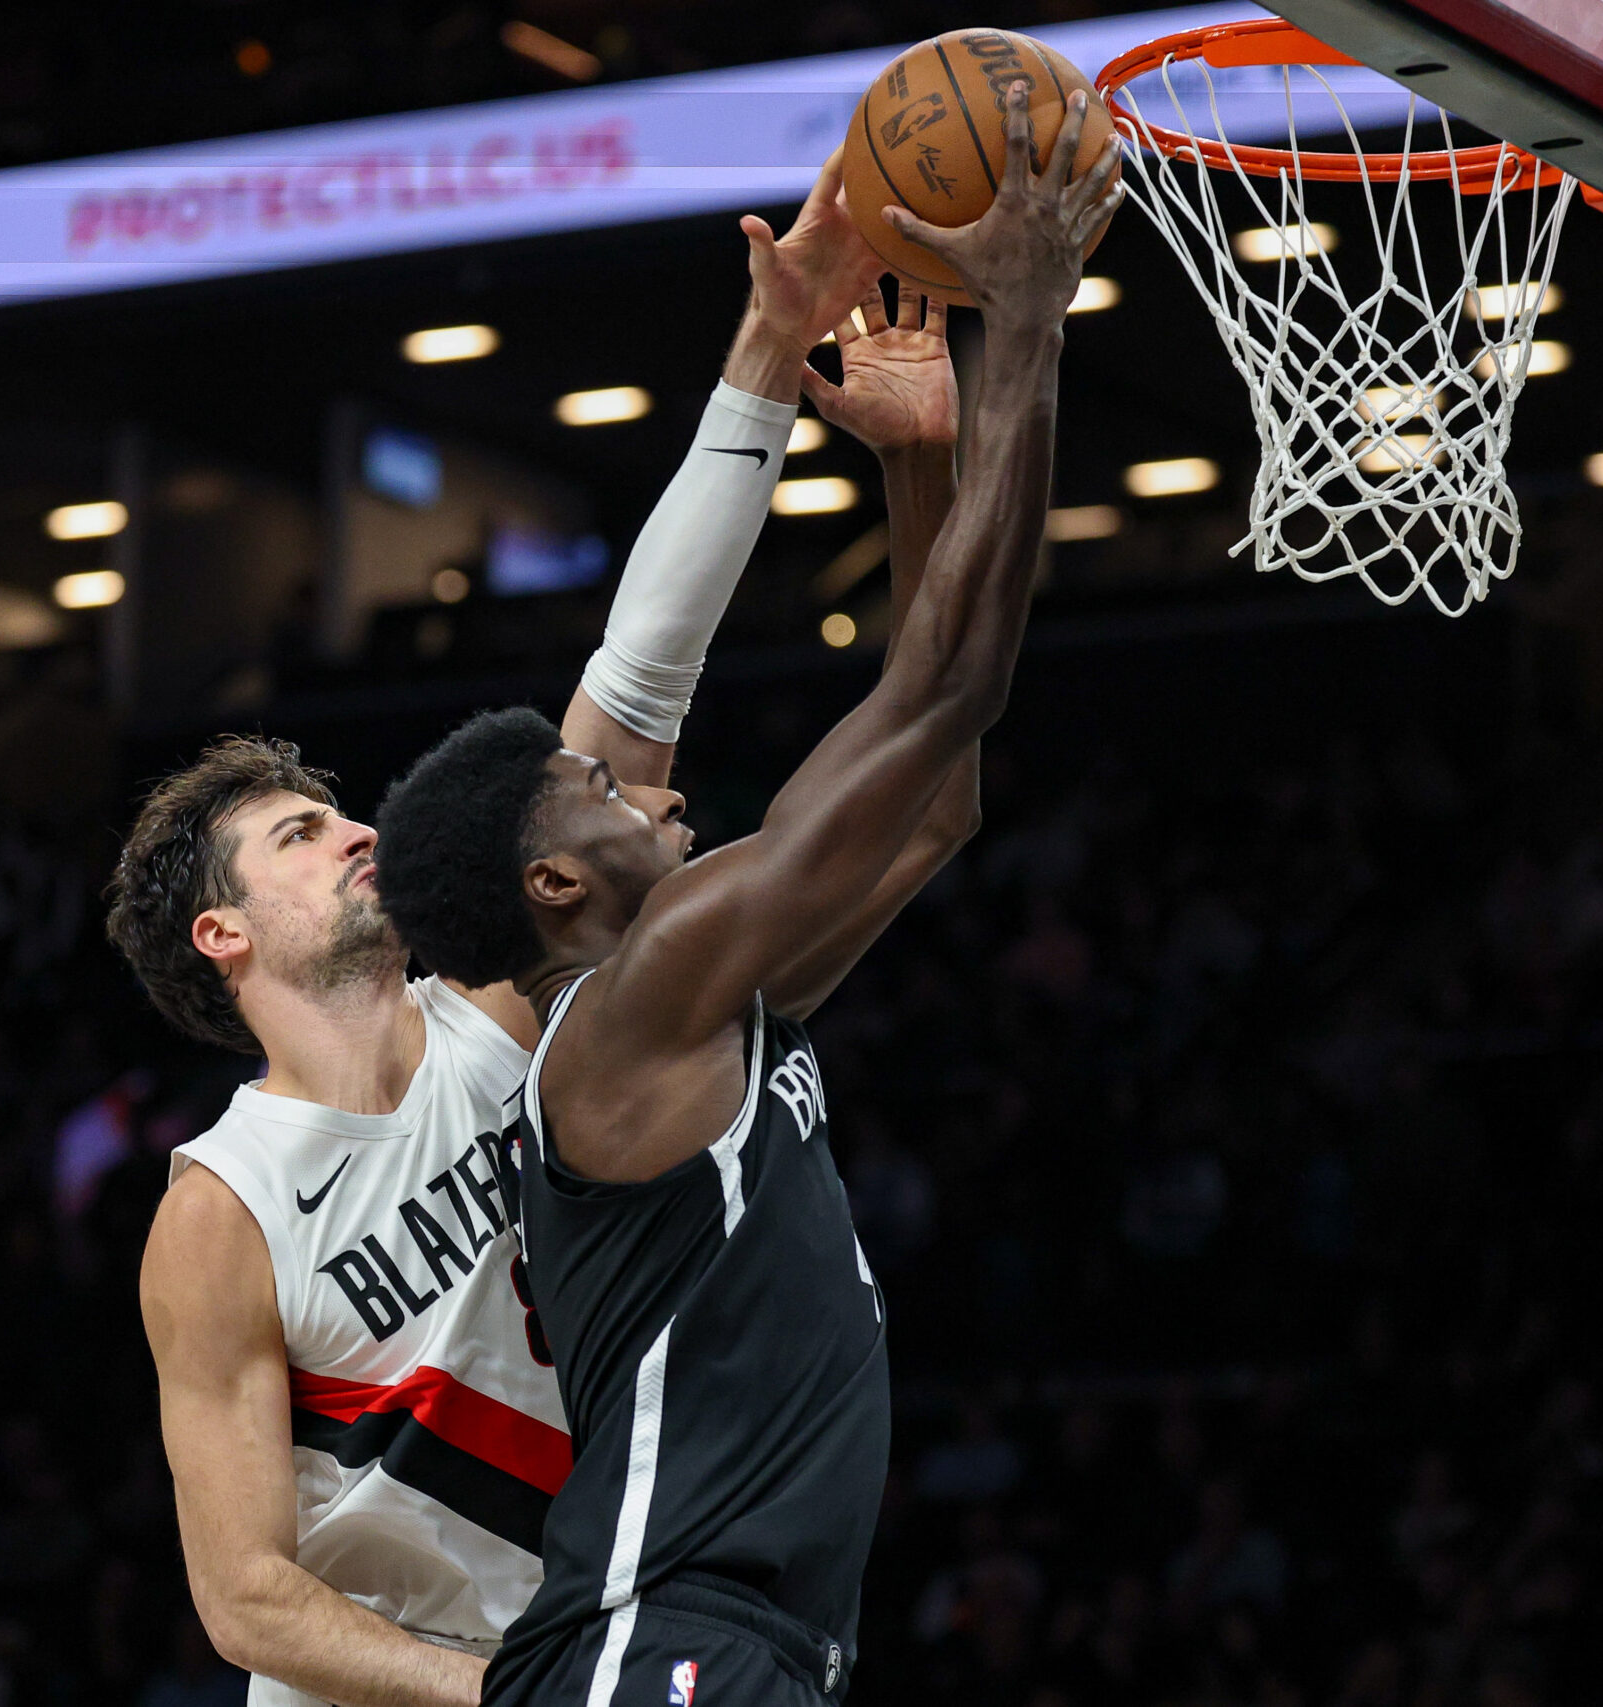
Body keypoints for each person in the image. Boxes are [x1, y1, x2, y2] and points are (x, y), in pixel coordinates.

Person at [107, 153, 906, 1707]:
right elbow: (251, 1599)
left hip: (606, 1640)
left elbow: (640, 679)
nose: (354, 833)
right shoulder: (223, 1208)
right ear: (223, 937)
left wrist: (763, 361)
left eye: (340, 812)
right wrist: (497, 1692)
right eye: (296, 835)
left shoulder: (509, 1018)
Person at [371, 86, 1118, 1707]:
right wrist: (1033, 328)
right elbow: (947, 695)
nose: (656, 786)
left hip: (708, 1646)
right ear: (556, 882)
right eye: (603, 790)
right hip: (669, 1644)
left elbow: (936, 808)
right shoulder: (641, 997)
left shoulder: (691, 1006)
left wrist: (922, 465)